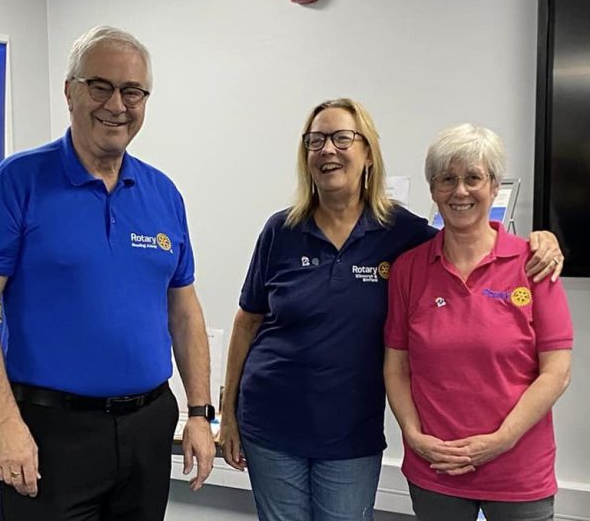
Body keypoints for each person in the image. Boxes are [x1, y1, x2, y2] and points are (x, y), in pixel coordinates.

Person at [219, 99, 563, 521]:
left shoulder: (404, 234)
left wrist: (543, 239)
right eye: (316, 140)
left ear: (367, 154)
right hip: (269, 423)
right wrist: (227, 412)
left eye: (342, 138)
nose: (328, 149)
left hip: (350, 433)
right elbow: (247, 320)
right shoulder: (281, 229)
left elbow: (467, 233)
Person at [0, 26, 215, 521]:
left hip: (147, 427)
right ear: (70, 91)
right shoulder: (18, 182)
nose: (117, 104)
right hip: (49, 432)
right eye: (101, 86)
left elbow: (184, 311)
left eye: (132, 91)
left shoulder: (163, 194)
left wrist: (200, 413)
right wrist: (7, 425)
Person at [384, 124, 572, 521]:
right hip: (437, 468)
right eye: (447, 179)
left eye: (473, 178)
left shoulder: (533, 263)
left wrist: (501, 441)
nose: (460, 191)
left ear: (494, 185)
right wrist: (415, 438)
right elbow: (397, 367)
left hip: (518, 470)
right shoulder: (409, 269)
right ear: (433, 190)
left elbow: (556, 372)